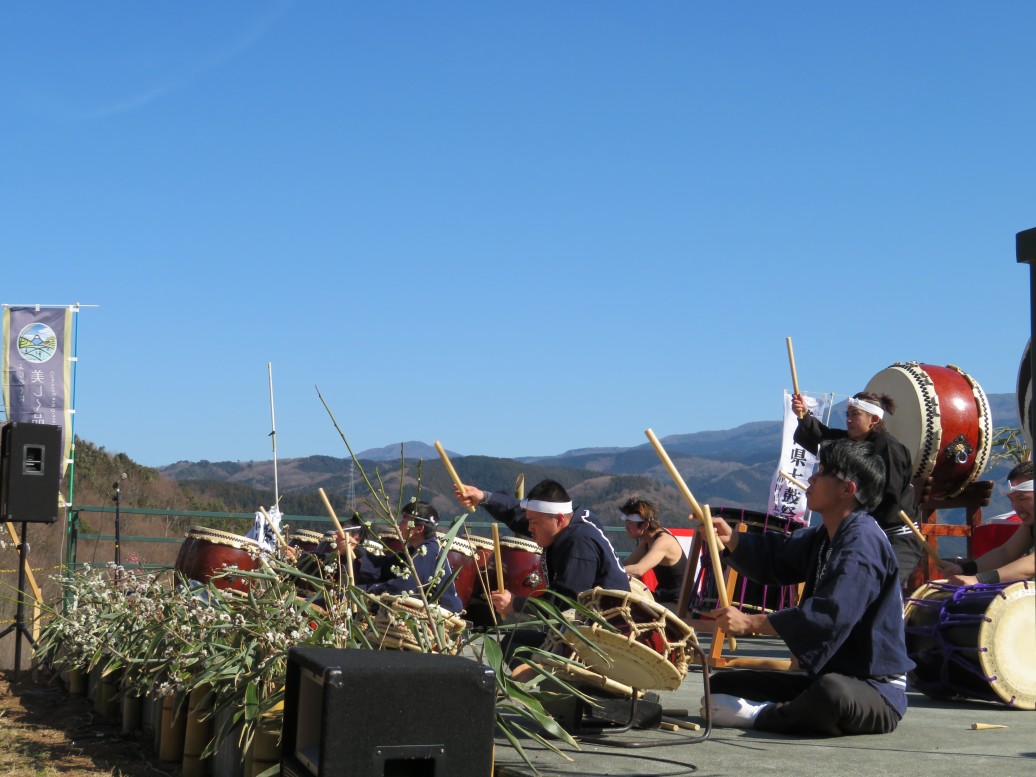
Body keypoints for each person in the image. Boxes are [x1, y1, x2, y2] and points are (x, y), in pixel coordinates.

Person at [701, 438, 914, 736]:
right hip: (827, 677)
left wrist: (751, 623)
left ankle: (758, 716)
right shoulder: (827, 534)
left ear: (846, 489)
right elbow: (779, 556)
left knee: (830, 694)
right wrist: (732, 540)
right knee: (722, 684)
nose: (811, 479)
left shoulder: (863, 543)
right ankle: (782, 712)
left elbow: (829, 614)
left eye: (823, 472)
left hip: (874, 691)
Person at [792, 391, 923, 584]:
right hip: (863, 531)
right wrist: (805, 416)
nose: (849, 420)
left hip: (896, 536)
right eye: (848, 415)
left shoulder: (890, 449)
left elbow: (889, 499)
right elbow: (824, 438)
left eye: (855, 414)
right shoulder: (854, 444)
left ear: (874, 419)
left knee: (877, 588)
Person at [453, 478, 629, 618]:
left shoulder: (579, 543)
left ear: (559, 519)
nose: (529, 527)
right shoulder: (568, 523)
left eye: (533, 522)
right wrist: (484, 497)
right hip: (590, 622)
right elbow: (518, 513)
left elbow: (566, 601)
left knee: (513, 647)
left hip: (609, 628)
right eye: (529, 520)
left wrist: (516, 604)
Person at [334, 501, 463, 613]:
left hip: (437, 620)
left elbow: (405, 586)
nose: (399, 525)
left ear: (418, 529)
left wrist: (371, 591)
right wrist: (355, 549)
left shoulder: (428, 552)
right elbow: (384, 567)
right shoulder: (415, 550)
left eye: (404, 520)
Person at [942, 461, 1035, 585]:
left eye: (1022, 498)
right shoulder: (1030, 524)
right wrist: (963, 569)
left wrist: (978, 579)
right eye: (1012, 500)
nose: (1016, 507)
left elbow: (1033, 563)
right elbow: (1006, 552)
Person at [620, 497, 688, 603]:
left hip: (680, 601)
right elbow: (628, 563)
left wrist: (610, 571)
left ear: (645, 525)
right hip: (665, 596)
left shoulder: (663, 541)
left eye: (630, 523)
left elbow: (638, 570)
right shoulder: (647, 539)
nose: (626, 527)